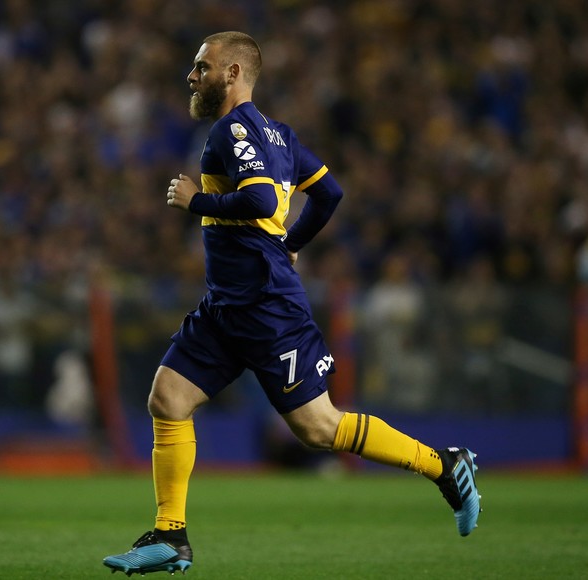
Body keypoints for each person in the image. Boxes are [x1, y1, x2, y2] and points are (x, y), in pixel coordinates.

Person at [102, 31, 481, 576]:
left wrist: (195, 201)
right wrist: (292, 243)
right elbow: (329, 194)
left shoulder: (233, 129)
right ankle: (170, 536)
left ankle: (446, 466)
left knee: (319, 428)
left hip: (266, 306)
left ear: (232, 73)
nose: (192, 76)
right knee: (169, 398)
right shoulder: (279, 135)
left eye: (202, 66)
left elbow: (258, 198)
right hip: (229, 304)